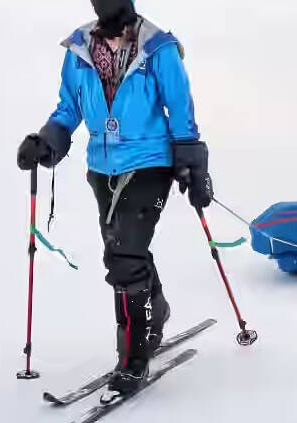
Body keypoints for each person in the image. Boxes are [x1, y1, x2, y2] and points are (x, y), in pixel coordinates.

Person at [15, 0, 211, 396]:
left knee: (123, 256)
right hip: (102, 169)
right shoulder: (80, 47)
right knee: (127, 252)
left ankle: (133, 354)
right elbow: (68, 109)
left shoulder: (158, 47)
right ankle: (157, 311)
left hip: (150, 163)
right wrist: (46, 141)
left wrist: (191, 158)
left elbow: (180, 106)